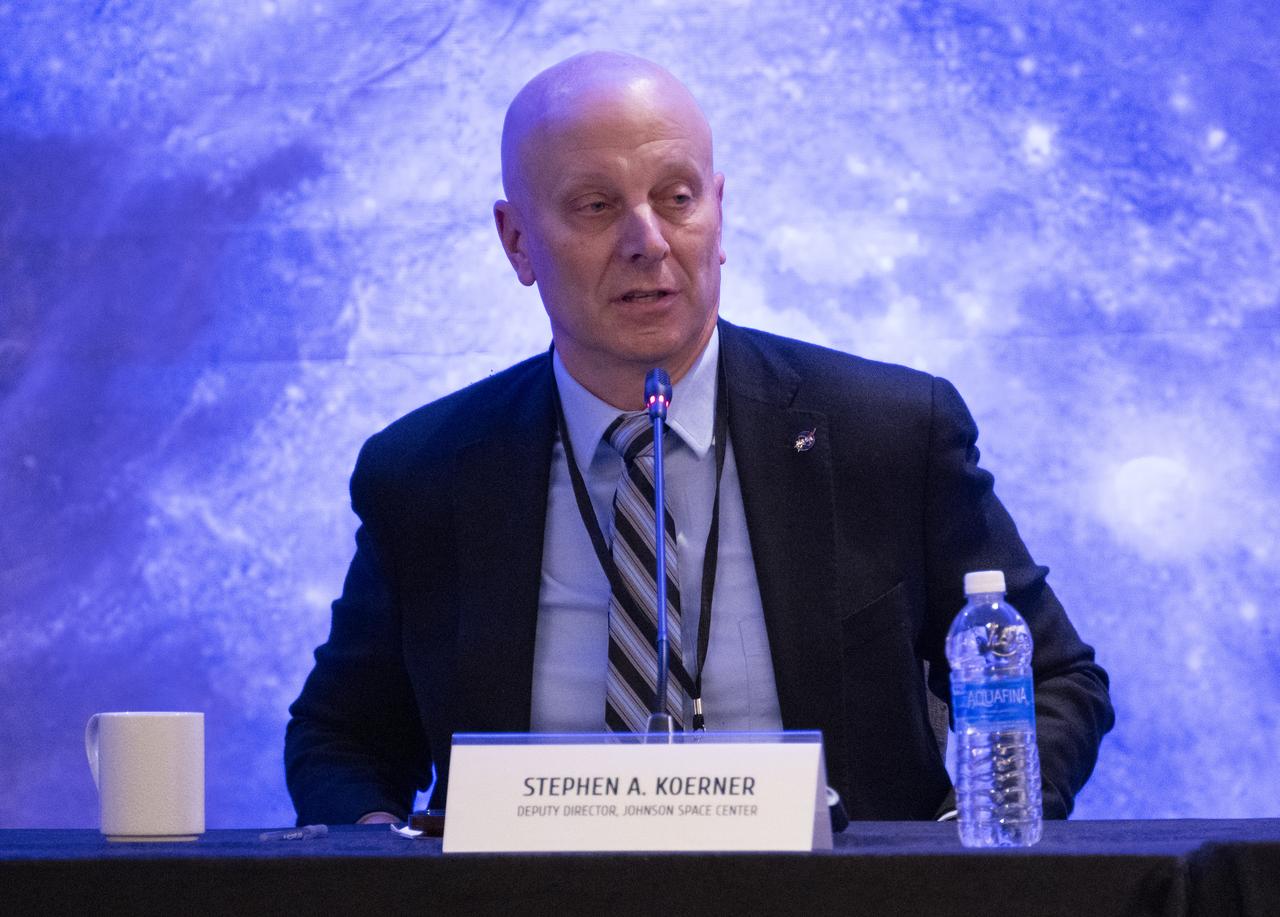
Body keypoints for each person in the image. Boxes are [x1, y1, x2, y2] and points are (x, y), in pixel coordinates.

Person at [285, 51, 1113, 827]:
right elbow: (341, 737)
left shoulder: (888, 433)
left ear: (720, 215)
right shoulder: (424, 474)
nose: (647, 241)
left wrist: (960, 846)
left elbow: (1053, 678)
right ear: (517, 241)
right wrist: (381, 860)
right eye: (596, 205)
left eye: (677, 198)